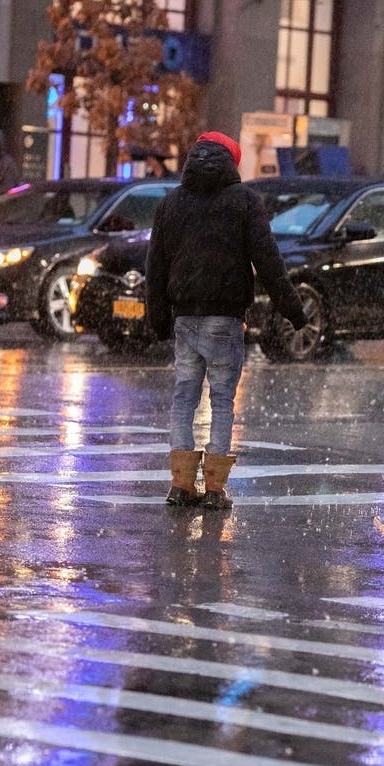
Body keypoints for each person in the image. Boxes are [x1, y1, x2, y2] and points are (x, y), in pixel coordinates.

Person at [146, 130, 307, 510]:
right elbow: (268, 261)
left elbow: (156, 266)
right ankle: (215, 490)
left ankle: (181, 486)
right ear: (231, 163)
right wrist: (294, 311)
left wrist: (156, 321)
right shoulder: (245, 203)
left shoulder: (171, 203)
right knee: (221, 400)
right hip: (226, 318)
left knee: (184, 399)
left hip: (185, 317)